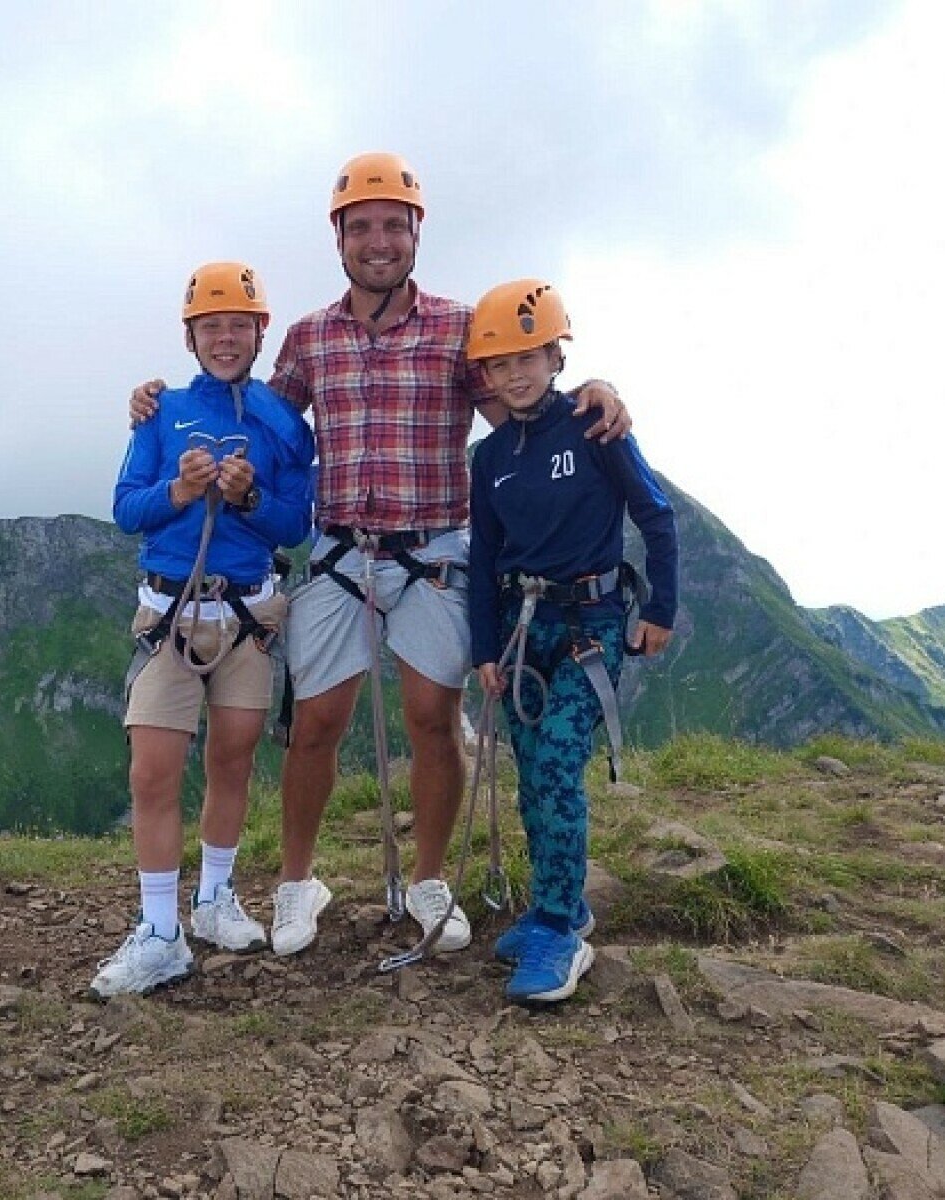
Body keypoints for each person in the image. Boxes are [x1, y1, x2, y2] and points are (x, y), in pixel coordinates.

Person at [133, 153, 632, 959]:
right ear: (338, 239)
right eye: (360, 227)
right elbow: (259, 420)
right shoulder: (308, 338)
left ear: (415, 233)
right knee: (315, 724)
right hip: (341, 551)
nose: (378, 242)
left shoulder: (459, 330)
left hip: (434, 549)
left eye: (393, 226)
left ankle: (428, 879)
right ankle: (298, 882)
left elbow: (520, 406)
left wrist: (591, 393)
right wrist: (160, 406)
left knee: (433, 720)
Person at [93, 261, 315, 999]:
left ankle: (214, 899)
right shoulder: (162, 410)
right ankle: (160, 933)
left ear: (260, 333)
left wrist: (249, 499)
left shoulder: (284, 424)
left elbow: (296, 523)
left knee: (233, 760)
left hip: (246, 616)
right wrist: (182, 490)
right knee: (151, 771)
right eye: (211, 327)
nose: (225, 339)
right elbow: (127, 508)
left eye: (238, 326)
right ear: (190, 338)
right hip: (173, 613)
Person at [465, 278, 677, 1004]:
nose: (516, 374)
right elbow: (484, 558)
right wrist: (484, 650)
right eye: (500, 364)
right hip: (521, 634)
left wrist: (661, 608)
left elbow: (655, 514)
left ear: (556, 357)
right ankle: (559, 903)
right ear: (486, 376)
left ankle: (559, 930)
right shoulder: (490, 458)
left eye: (528, 357)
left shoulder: (594, 428)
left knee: (557, 762)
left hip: (590, 626)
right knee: (531, 773)